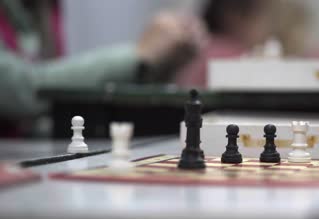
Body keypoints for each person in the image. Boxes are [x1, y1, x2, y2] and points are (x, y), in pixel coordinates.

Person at [0, 0, 201, 136]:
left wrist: (159, 63)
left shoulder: (43, 7)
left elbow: (41, 107)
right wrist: (140, 54)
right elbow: (20, 89)